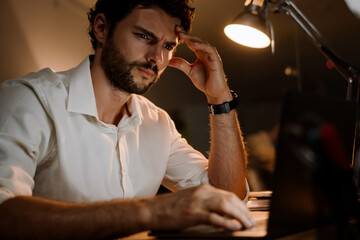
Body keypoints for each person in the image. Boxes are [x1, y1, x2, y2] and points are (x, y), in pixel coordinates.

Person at [0, 0, 254, 239]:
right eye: (144, 36)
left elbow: (228, 197)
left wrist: (219, 98)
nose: (157, 57)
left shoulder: (158, 124)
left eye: (168, 46)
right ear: (101, 28)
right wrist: (151, 212)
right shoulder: (29, 100)